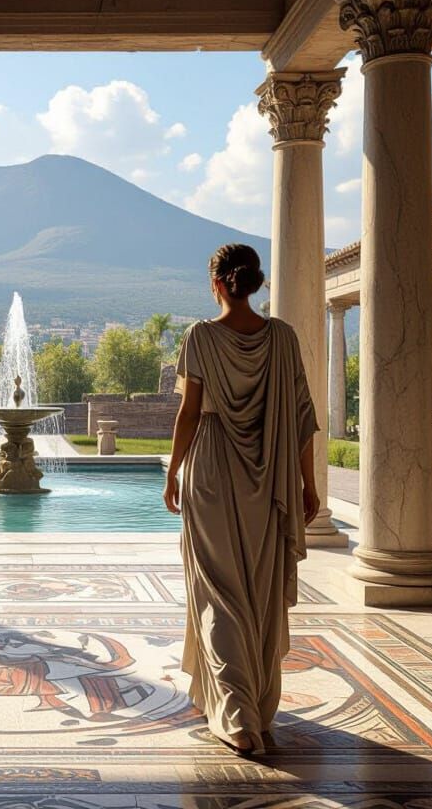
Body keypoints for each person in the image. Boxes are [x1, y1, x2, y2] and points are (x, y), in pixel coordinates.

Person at [162, 243, 319, 758]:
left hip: (211, 472)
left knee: (217, 593)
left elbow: (190, 412)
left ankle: (237, 716)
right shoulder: (283, 338)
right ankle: (252, 707)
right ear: (253, 282)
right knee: (257, 594)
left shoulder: (200, 336)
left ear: (217, 283)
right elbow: (302, 418)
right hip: (269, 478)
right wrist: (307, 484)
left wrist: (173, 471)